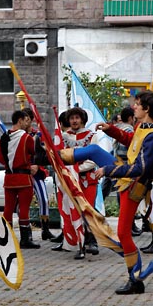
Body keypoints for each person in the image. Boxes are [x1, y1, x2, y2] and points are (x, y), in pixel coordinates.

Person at [91, 91, 153, 294]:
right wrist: (112, 131)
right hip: (130, 182)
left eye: (137, 104)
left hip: (135, 185)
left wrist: (108, 170)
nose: (133, 107)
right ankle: (136, 275)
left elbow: (141, 168)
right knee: (123, 233)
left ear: (147, 109)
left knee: (123, 233)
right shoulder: (143, 128)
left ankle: (135, 279)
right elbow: (131, 140)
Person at [0, 109, 40, 248]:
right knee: (24, 209)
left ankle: (6, 239)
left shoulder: (3, 137)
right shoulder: (26, 137)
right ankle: (25, 239)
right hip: (23, 177)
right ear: (20, 120)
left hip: (9, 177)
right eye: (26, 120)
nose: (28, 123)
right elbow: (34, 151)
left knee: (8, 208)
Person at [61, 107, 100, 258]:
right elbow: (60, 157)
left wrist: (77, 169)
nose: (74, 121)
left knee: (88, 210)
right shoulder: (64, 136)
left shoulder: (92, 136)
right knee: (75, 210)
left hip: (87, 180)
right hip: (71, 181)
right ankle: (80, 244)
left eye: (77, 118)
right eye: (72, 118)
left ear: (82, 119)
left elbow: (93, 158)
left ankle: (92, 240)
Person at [23, 107, 55, 240]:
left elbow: (45, 154)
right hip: (23, 173)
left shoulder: (38, 135)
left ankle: (45, 229)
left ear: (31, 120)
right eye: (22, 119)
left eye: (27, 119)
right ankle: (26, 231)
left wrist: (38, 165)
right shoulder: (17, 135)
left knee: (44, 199)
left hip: (36, 172)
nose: (25, 122)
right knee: (24, 202)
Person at [111, 107, 142, 237]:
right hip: (126, 164)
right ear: (130, 118)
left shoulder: (118, 127)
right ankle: (129, 225)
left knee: (121, 193)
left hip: (118, 162)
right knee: (126, 195)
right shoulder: (128, 129)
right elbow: (130, 146)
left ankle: (129, 225)